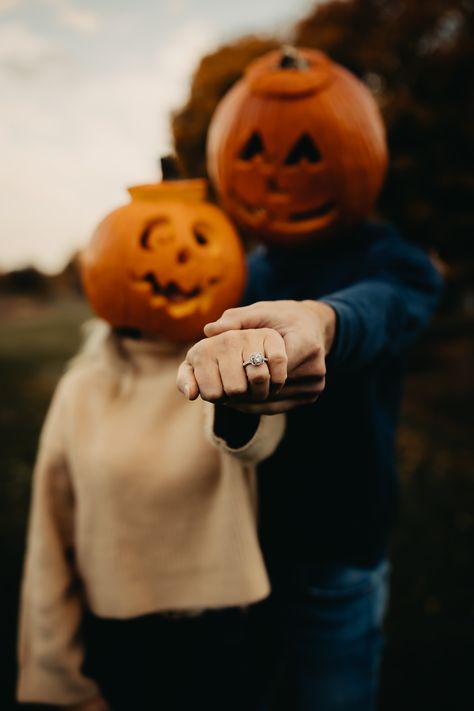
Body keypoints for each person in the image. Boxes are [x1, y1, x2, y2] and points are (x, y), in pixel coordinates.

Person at [176, 47, 444, 710]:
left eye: (300, 154)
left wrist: (323, 322)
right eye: (253, 152)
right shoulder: (241, 272)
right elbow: (232, 406)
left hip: (340, 548)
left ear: (359, 149)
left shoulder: (392, 259)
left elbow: (383, 308)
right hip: (247, 548)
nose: (272, 176)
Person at [17, 178, 286, 711]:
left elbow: (258, 437)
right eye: (156, 239)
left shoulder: (229, 369)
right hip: (119, 642)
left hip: (224, 640)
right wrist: (57, 673)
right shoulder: (82, 390)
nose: (182, 254)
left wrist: (242, 394)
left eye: (200, 240)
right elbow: (51, 535)